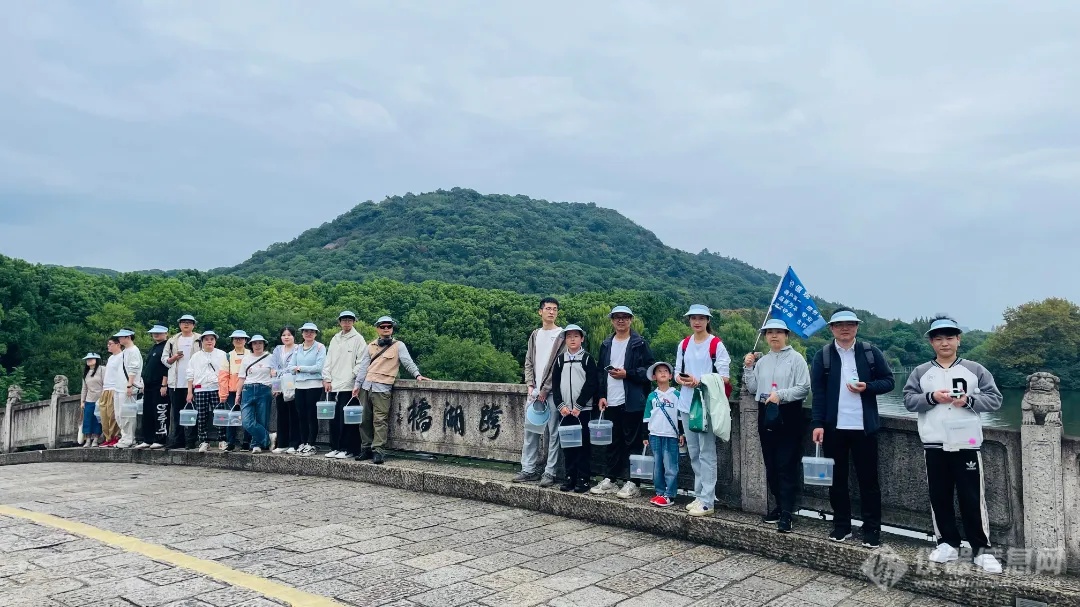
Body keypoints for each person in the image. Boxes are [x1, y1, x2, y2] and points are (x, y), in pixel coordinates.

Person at [903, 316, 1004, 574]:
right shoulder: (921, 372)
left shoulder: (974, 369)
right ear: (931, 342)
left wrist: (969, 400)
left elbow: (994, 399)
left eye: (949, 337)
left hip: (967, 442)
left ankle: (981, 549)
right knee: (939, 495)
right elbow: (909, 400)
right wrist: (932, 397)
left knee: (972, 496)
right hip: (934, 442)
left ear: (958, 339)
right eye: (938, 338)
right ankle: (947, 542)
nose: (944, 343)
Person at [810, 308, 894, 548]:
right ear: (831, 329)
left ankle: (872, 529)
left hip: (864, 428)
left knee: (868, 480)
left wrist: (866, 386)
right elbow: (819, 393)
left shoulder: (869, 352)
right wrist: (817, 423)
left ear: (857, 327)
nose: (844, 328)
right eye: (839, 325)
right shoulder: (823, 355)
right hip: (834, 428)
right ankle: (841, 525)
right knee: (836, 480)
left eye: (850, 324)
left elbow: (889, 381)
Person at [743, 318, 811, 533]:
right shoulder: (762, 361)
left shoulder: (796, 359)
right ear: (765, 336)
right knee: (771, 464)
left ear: (786, 335)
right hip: (765, 413)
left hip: (788, 413)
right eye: (770, 332)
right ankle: (779, 506)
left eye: (778, 332)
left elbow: (804, 388)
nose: (774, 336)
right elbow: (753, 388)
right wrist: (748, 368)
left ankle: (788, 513)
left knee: (786, 464)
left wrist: (780, 395)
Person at [591, 305, 656, 499]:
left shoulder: (639, 343)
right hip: (611, 401)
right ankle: (610, 479)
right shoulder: (606, 344)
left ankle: (633, 483)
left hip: (633, 401)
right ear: (612, 320)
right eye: (617, 317)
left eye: (625, 317)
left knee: (633, 443)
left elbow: (649, 371)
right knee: (613, 442)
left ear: (631, 320)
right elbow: (600, 373)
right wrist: (601, 395)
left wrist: (627, 374)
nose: (621, 320)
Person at [673, 304, 731, 517]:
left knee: (707, 452)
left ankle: (708, 500)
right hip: (687, 404)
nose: (697, 322)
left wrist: (701, 381)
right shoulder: (684, 343)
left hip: (706, 405)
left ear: (708, 320)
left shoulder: (716, 344)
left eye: (701, 318)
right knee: (694, 452)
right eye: (693, 318)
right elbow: (677, 372)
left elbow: (725, 377)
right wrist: (681, 379)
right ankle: (699, 495)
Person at [351, 316, 429, 464]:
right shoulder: (371, 345)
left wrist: (417, 375)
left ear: (392, 329)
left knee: (380, 420)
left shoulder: (398, 345)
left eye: (388, 326)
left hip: (383, 386)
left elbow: (407, 361)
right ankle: (365, 448)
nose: (386, 329)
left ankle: (378, 450)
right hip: (366, 386)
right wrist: (357, 385)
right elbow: (363, 367)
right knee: (364, 420)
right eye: (382, 326)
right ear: (377, 329)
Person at [512, 297, 565, 486]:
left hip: (552, 393)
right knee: (531, 431)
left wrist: (545, 389)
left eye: (555, 309)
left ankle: (550, 472)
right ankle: (528, 469)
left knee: (553, 433)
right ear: (540, 312)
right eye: (548, 308)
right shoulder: (535, 335)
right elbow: (528, 361)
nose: (551, 312)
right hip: (534, 394)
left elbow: (558, 367)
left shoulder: (562, 335)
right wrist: (530, 385)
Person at [551, 324, 598, 493]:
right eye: (569, 336)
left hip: (582, 410)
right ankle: (570, 477)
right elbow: (554, 385)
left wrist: (579, 404)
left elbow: (592, 383)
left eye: (576, 336)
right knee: (568, 446)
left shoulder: (587, 358)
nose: (572, 339)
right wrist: (560, 405)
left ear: (582, 339)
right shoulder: (560, 359)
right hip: (564, 411)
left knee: (583, 446)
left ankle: (583, 479)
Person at [322, 311, 364, 460]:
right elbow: (328, 359)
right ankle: (335, 447)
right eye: (344, 320)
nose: (346, 323)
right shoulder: (335, 338)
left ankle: (348, 448)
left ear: (353, 322)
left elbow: (362, 362)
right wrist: (326, 379)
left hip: (349, 386)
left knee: (347, 419)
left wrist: (352, 377)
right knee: (334, 419)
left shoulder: (358, 339)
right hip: (334, 385)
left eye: (349, 320)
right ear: (339, 322)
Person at [642, 361, 684, 508]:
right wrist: (644, 436)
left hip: (671, 435)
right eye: (659, 371)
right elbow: (646, 417)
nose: (663, 373)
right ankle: (660, 492)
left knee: (671, 466)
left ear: (671, 376)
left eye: (666, 370)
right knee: (657, 466)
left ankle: (670, 494)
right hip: (655, 434)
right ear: (654, 376)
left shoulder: (677, 394)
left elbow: (680, 416)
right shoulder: (652, 396)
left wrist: (682, 433)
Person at [185, 330, 229, 452]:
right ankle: (204, 440)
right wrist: (190, 392)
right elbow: (190, 374)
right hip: (200, 389)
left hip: (217, 388)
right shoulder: (196, 356)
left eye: (212, 339)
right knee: (202, 415)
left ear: (215, 341)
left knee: (220, 415)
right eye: (206, 339)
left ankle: (222, 440)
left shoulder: (222, 354)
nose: (209, 341)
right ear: (202, 341)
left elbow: (226, 373)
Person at [162, 314, 201, 450]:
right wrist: (174, 358)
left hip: (194, 382)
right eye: (183, 322)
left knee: (192, 413)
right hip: (175, 382)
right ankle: (178, 439)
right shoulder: (173, 340)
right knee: (177, 412)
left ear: (193, 325)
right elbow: (164, 359)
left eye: (189, 323)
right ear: (179, 325)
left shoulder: (199, 339)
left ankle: (191, 440)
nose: (186, 324)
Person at [291, 322, 326, 456]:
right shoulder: (298, 348)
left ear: (315, 333)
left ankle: (311, 443)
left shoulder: (320, 347)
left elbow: (319, 367)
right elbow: (291, 366)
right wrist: (299, 369)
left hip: (314, 385)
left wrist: (300, 369)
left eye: (311, 331)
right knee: (301, 415)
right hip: (299, 385)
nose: (308, 334)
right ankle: (303, 442)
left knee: (311, 415)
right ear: (302, 333)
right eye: (306, 331)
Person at [236, 334, 274, 453]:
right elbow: (241, 377)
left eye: (260, 343)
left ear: (264, 344)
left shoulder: (271, 357)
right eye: (255, 343)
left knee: (262, 418)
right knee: (246, 421)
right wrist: (238, 394)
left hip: (264, 388)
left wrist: (274, 388)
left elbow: (274, 375)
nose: (257, 345)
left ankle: (256, 444)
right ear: (251, 345)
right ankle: (269, 437)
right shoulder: (246, 359)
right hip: (247, 389)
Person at [135, 325, 170, 450]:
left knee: (160, 412)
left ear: (166, 333)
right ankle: (147, 439)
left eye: (159, 333)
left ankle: (160, 439)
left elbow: (167, 367)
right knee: (148, 413)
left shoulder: (167, 347)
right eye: (154, 333)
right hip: (148, 385)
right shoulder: (154, 347)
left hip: (159, 384)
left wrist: (164, 384)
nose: (156, 335)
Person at [270, 326, 299, 454]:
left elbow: (294, 368)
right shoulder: (277, 350)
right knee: (281, 415)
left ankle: (294, 443)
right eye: (284, 335)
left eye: (289, 335)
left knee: (294, 414)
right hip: (280, 386)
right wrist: (275, 387)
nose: (286, 337)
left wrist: (281, 371)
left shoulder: (298, 349)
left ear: (294, 336)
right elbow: (273, 368)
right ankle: (282, 443)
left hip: (293, 385)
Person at [221, 330, 252, 451]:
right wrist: (223, 393)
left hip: (248, 390)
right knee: (231, 417)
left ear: (245, 340)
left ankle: (246, 441)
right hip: (232, 391)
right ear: (232, 341)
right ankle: (231, 442)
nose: (238, 340)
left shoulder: (251, 354)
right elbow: (223, 376)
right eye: (236, 338)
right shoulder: (228, 356)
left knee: (248, 417)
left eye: (241, 338)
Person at [113, 329, 143, 449]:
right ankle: (125, 436)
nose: (119, 339)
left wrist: (129, 385)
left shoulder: (134, 351)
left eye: (121, 337)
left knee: (127, 414)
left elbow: (133, 368)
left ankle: (130, 438)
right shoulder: (125, 351)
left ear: (128, 337)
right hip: (120, 386)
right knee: (119, 414)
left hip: (128, 387)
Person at [98, 337, 124, 447]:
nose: (108, 346)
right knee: (104, 416)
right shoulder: (111, 358)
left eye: (110, 344)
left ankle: (115, 436)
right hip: (106, 388)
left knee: (113, 414)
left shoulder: (122, 356)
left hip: (115, 388)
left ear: (118, 344)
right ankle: (107, 437)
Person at [79, 353, 104, 447]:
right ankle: (88, 440)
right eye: (87, 359)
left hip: (101, 398)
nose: (89, 361)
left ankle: (96, 439)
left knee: (98, 420)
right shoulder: (86, 373)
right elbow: (84, 388)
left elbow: (106, 383)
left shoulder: (102, 369)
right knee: (87, 420)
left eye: (91, 359)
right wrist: (82, 401)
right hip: (89, 399)